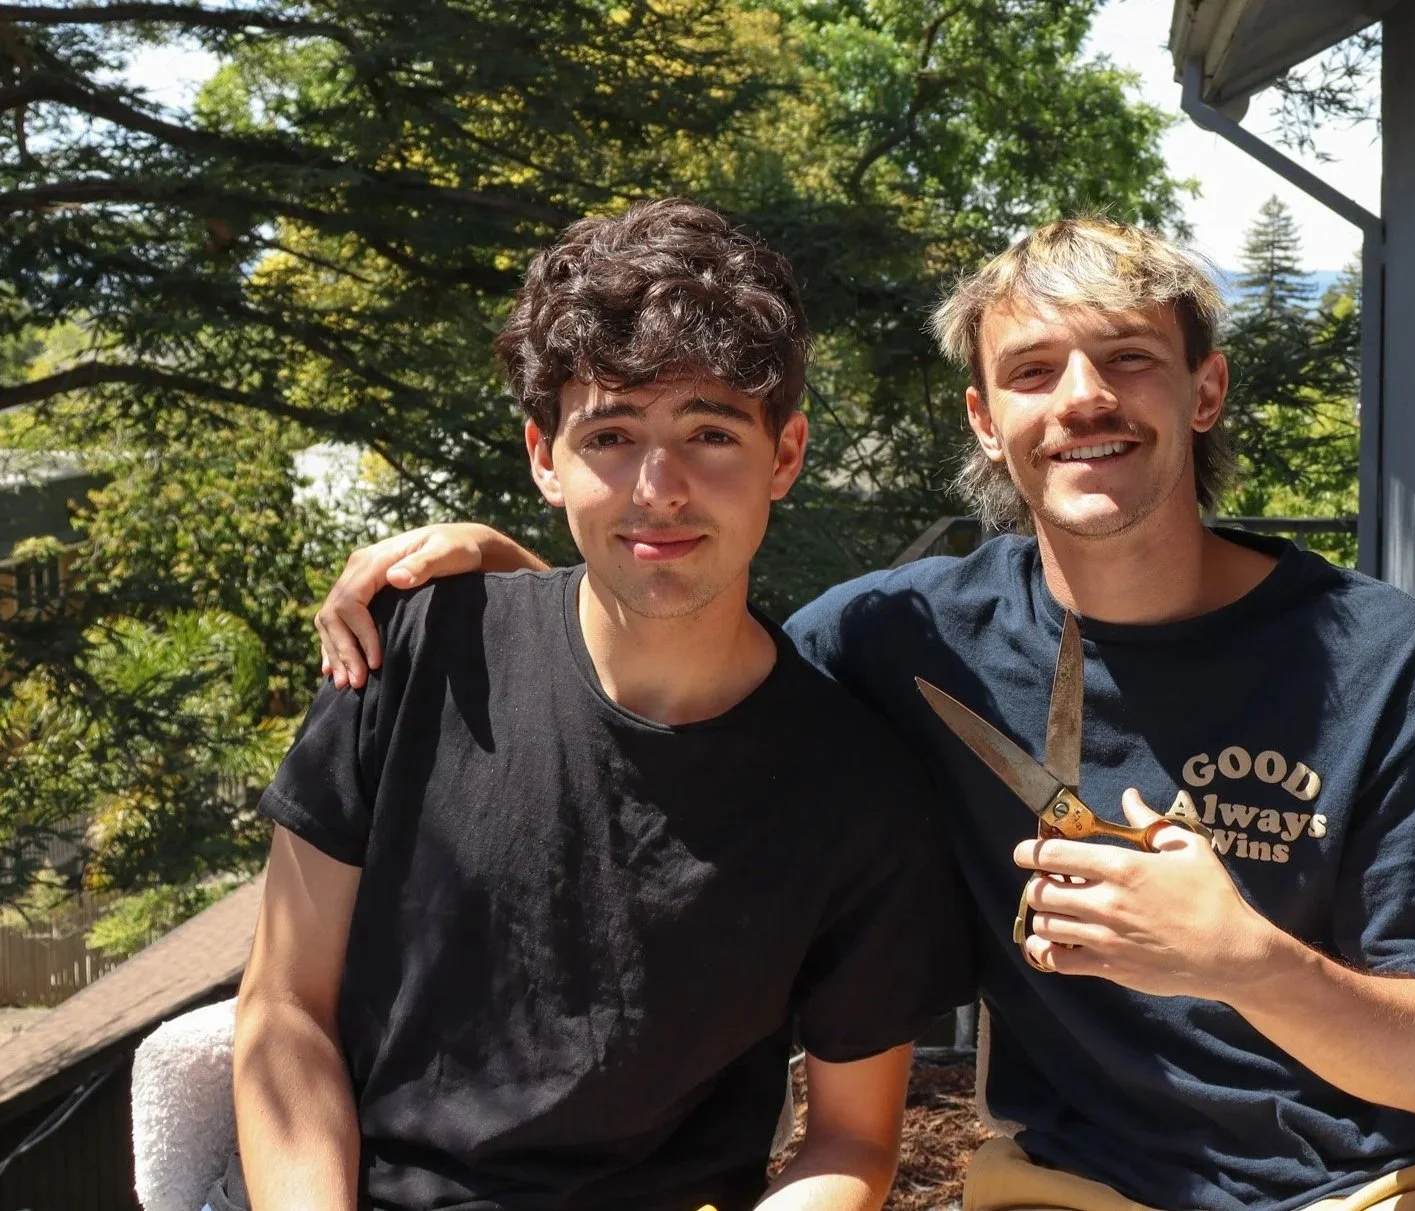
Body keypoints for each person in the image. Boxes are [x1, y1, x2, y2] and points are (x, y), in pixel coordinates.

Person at [315, 217, 1415, 1211]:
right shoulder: (897, 635)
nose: (1081, 400)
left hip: (1374, 1179)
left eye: (1126, 357)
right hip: (1072, 1182)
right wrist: (515, 577)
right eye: (1030, 371)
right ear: (983, 417)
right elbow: (682, 653)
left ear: (1203, 389)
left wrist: (1235, 956)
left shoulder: (1371, 655)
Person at [234, 199, 973, 1211]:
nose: (657, 487)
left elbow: (848, 1138)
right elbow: (284, 1009)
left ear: (785, 453)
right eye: (611, 434)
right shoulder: (411, 654)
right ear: (544, 456)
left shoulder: (858, 789)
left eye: (709, 432)